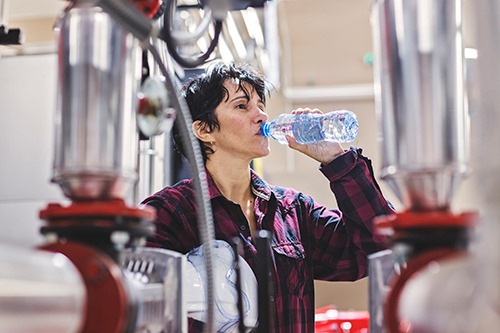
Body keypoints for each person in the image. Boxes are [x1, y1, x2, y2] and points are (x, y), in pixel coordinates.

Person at [142, 62, 395, 333]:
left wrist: (336, 160)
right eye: (242, 106)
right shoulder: (168, 214)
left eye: (260, 105)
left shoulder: (294, 211)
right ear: (204, 130)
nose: (261, 115)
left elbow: (378, 247)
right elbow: (141, 313)